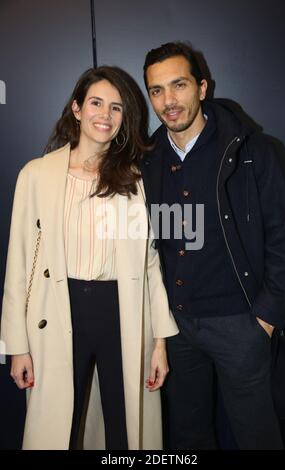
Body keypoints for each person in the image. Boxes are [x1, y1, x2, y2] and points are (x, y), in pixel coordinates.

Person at [1, 66, 178, 450]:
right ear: (77, 109)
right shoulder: (36, 175)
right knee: (56, 430)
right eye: (96, 103)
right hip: (58, 312)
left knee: (125, 429)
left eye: (116, 108)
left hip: (122, 313)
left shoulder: (132, 178)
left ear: (124, 119)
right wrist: (16, 345)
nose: (105, 115)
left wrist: (160, 343)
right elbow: (18, 266)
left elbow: (149, 265)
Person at [140, 42, 285, 449]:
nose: (168, 101)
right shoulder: (148, 161)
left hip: (240, 324)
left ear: (202, 87)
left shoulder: (255, 151)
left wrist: (264, 318)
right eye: (157, 90)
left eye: (179, 85)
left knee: (257, 437)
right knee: (188, 438)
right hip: (178, 329)